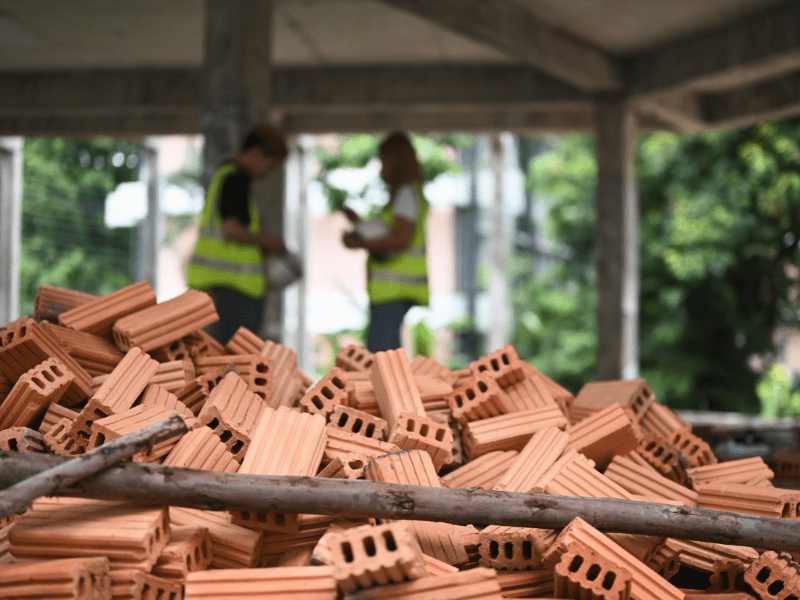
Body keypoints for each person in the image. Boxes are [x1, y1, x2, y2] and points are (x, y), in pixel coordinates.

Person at [187, 125, 289, 345]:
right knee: (235, 359)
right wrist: (269, 242)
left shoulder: (225, 176)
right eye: (269, 165)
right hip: (234, 289)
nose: (266, 173)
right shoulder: (236, 179)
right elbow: (231, 229)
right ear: (256, 153)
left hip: (224, 286)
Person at [341, 131, 430, 352]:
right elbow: (390, 232)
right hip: (393, 291)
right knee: (383, 353)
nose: (382, 170)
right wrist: (359, 224)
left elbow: (401, 238)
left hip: (395, 290)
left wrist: (359, 243)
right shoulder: (406, 195)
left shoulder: (406, 193)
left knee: (382, 356)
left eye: (383, 162)